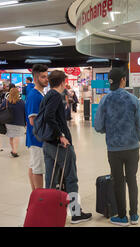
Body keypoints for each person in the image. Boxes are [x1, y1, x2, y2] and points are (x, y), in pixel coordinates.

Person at [40, 70, 92, 224]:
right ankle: (76, 213)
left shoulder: (47, 95)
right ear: (62, 82)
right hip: (59, 145)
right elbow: (49, 116)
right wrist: (61, 135)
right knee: (71, 177)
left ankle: (49, 210)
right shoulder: (56, 96)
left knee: (50, 179)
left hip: (47, 143)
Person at [94, 68, 140, 226]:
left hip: (114, 149)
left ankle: (122, 216)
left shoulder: (104, 100)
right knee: (132, 179)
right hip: (132, 147)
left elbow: (98, 125)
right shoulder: (133, 99)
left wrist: (108, 131)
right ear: (123, 80)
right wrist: (136, 138)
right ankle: (134, 215)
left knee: (118, 181)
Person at [25, 64, 48, 191]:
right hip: (37, 139)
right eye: (43, 77)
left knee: (33, 165)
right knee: (38, 169)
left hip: (35, 137)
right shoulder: (35, 96)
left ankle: (35, 195)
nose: (46, 79)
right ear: (35, 78)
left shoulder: (40, 94)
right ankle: (40, 198)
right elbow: (33, 120)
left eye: (46, 76)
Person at [0, 88, 26, 158]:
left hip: (8, 122)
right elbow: (25, 112)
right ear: (18, 94)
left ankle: (13, 149)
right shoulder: (22, 102)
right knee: (16, 136)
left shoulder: (6, 101)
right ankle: (14, 151)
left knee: (11, 136)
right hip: (19, 122)